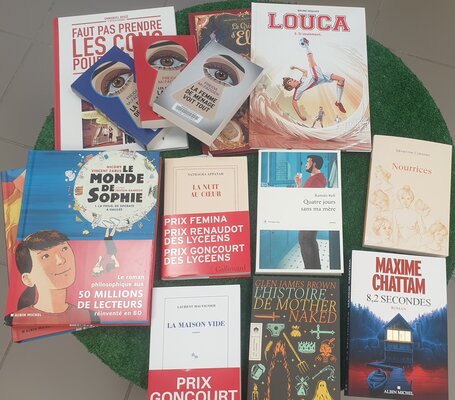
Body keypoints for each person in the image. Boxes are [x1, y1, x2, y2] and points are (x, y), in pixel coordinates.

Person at [11, 230, 99, 325]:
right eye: (45, 256)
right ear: (28, 279)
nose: (61, 260)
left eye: (64, 249)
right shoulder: (16, 320)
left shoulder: (89, 316)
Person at [282, 37, 346, 122]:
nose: (293, 80)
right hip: (316, 78)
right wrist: (300, 116)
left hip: (322, 76)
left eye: (292, 79)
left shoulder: (302, 80)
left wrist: (296, 67)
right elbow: (294, 103)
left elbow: (305, 72)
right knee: (311, 62)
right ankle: (306, 46)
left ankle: (338, 102)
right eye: (290, 81)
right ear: (290, 88)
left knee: (341, 80)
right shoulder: (298, 91)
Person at [294, 155, 327, 269]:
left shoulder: (317, 179)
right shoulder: (315, 178)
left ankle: (312, 269)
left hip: (310, 217)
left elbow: (307, 200)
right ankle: (313, 268)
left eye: (308, 162)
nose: (306, 164)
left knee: (306, 239)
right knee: (307, 240)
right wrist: (299, 185)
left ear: (314, 164)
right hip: (309, 217)